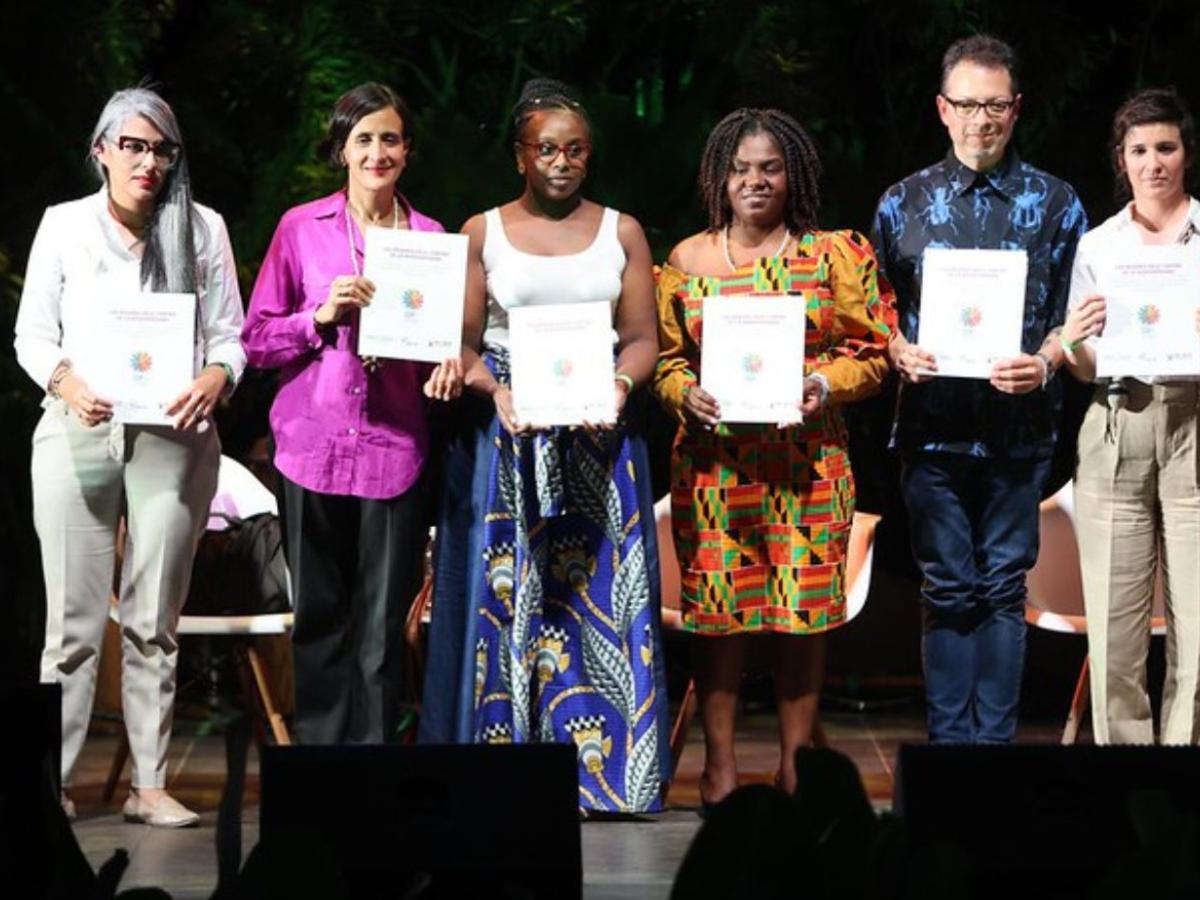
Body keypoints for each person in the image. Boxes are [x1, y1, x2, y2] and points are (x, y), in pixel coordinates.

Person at [419, 77, 669, 813]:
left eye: (576, 150)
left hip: (599, 441)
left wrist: (619, 389)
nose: (562, 162)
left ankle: (608, 782)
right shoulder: (481, 231)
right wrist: (495, 394)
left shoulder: (621, 230)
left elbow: (644, 339)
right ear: (521, 156)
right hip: (512, 439)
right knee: (511, 605)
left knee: (599, 607)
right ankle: (502, 775)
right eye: (547, 149)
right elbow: (461, 348)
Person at [14, 87, 245, 826]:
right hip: (78, 433)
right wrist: (66, 382)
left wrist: (218, 376)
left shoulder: (202, 229)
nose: (148, 162)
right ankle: (50, 784)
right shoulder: (64, 226)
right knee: (73, 627)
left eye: (161, 149)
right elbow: (31, 335)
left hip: (173, 440)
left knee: (154, 619)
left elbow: (232, 337)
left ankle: (149, 785)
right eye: (134, 146)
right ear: (102, 151)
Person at [654, 108, 893, 806]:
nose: (755, 181)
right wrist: (683, 394)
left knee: (800, 621)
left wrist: (826, 383)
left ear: (792, 176)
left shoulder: (833, 255)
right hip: (714, 469)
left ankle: (797, 766)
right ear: (719, 179)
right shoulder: (686, 261)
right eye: (741, 169)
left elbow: (874, 352)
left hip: (806, 467)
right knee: (718, 619)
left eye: (770, 167)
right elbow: (667, 361)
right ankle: (719, 765)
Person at [870, 35, 1087, 743]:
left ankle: (990, 754)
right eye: (967, 104)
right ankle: (948, 754)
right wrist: (896, 348)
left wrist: (1049, 360)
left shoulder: (1056, 204)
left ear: (1017, 109)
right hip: (931, 429)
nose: (981, 119)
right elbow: (874, 312)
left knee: (1000, 589)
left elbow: (1077, 315)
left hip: (1018, 430)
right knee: (946, 588)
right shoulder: (902, 204)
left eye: (995, 104)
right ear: (942, 108)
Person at [242, 82, 461, 745]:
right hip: (311, 446)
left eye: (389, 138)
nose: (376, 152)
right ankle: (319, 783)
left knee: (380, 632)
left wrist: (446, 363)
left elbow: (439, 347)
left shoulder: (431, 239)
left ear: (408, 150)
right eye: (363, 139)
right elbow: (256, 340)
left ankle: (374, 777)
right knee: (318, 622)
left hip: (395, 451)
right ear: (342, 150)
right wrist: (320, 317)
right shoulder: (299, 228)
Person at [1060, 88, 1200, 745]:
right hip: (1117, 419)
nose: (1153, 163)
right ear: (1122, 160)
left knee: (1198, 624)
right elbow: (1082, 361)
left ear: (1187, 155)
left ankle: (1184, 769)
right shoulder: (1098, 244)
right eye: (1139, 150)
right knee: (1115, 624)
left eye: (1165, 148)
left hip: (1193, 421)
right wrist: (1076, 338)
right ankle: (1126, 778)